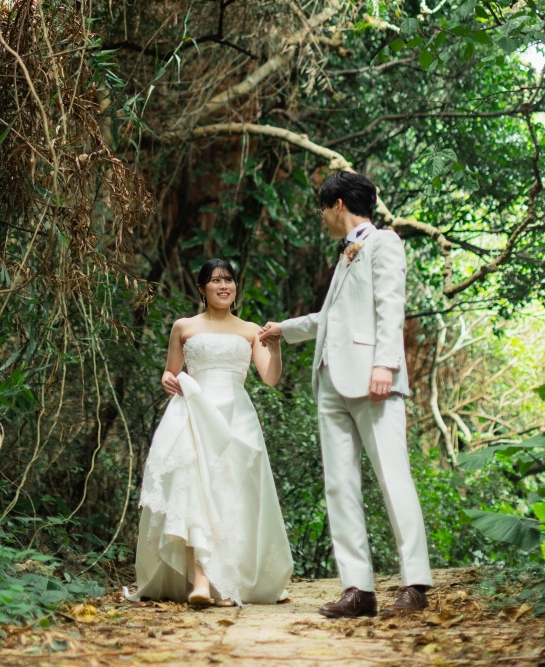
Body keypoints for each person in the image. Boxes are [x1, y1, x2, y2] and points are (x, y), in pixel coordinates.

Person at [259, 170, 432, 618]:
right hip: (330, 383)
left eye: (323, 208)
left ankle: (415, 584)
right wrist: (285, 330)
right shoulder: (345, 256)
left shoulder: (383, 243)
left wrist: (385, 364)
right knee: (340, 486)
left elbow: (390, 306)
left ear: (338, 205)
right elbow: (329, 318)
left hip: (374, 380)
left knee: (393, 479)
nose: (322, 217)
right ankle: (359, 589)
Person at [127, 259, 293, 607]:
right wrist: (167, 379)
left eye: (229, 280)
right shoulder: (183, 327)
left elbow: (270, 378)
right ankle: (201, 579)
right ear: (201, 288)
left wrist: (274, 348)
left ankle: (225, 577)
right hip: (192, 412)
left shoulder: (250, 330)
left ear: (235, 287)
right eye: (215, 280)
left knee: (231, 496)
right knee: (194, 489)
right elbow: (170, 373)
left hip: (236, 417)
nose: (224, 286)